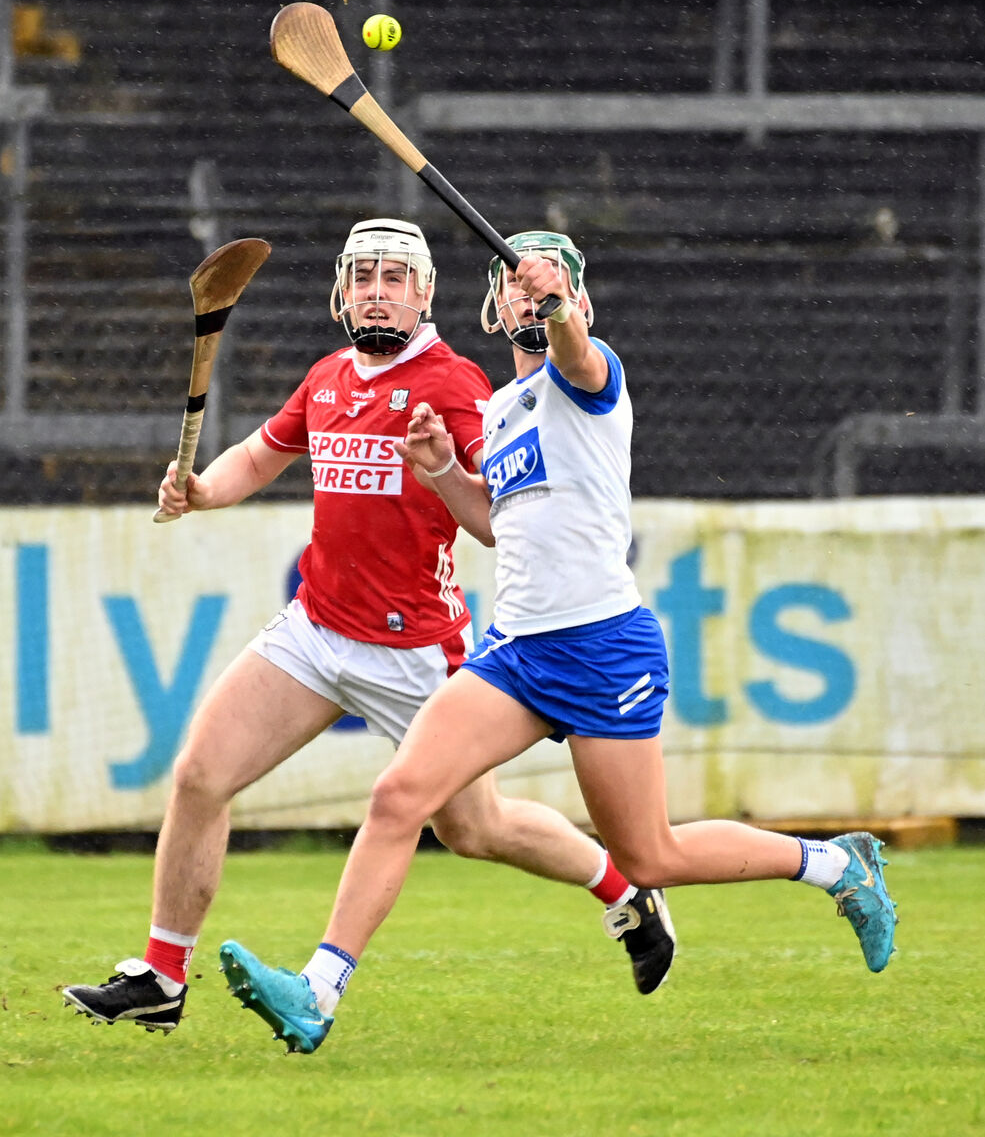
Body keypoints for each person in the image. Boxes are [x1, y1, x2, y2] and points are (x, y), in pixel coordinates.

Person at [217, 230, 899, 1054]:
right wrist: (439, 471)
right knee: (402, 798)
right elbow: (492, 525)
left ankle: (832, 865)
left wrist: (558, 302)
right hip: (515, 650)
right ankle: (316, 993)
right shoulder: (501, 411)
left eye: (546, 286)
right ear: (492, 306)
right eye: (513, 286)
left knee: (649, 856)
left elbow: (573, 347)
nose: (527, 298)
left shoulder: (591, 376)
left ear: (576, 302)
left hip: (602, 645)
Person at [61, 219, 676, 1037]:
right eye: (364, 277)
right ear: (341, 292)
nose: (377, 290)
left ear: (425, 294)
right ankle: (162, 978)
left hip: (413, 646)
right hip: (316, 628)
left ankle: (625, 891)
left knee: (475, 829)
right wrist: (202, 489)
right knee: (201, 775)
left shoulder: (455, 383)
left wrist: (447, 469)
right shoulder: (324, 379)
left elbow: (498, 514)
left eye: (395, 277)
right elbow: (258, 455)